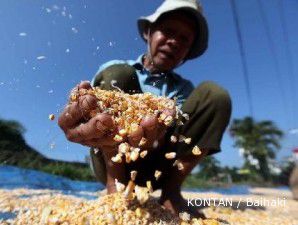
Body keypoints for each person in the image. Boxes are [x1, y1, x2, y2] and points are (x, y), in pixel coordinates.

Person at [58, 0, 232, 217]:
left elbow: (183, 132)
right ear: (149, 33)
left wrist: (164, 128)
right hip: (111, 159)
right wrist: (79, 107)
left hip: (159, 168)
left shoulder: (184, 90)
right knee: (118, 73)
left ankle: (171, 191)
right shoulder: (117, 69)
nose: (174, 41)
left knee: (215, 95)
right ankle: (116, 184)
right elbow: (88, 104)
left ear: (187, 52)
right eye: (168, 31)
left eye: (184, 39)